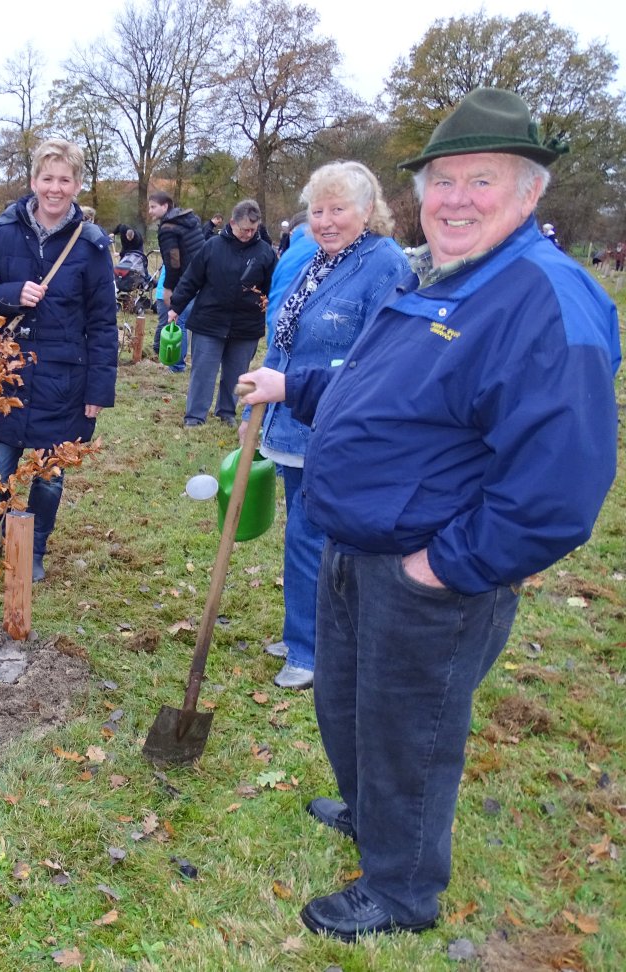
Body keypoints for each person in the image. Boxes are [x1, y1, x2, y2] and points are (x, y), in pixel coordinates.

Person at [239, 87, 619, 942]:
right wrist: (296, 384)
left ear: (530, 193)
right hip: (353, 545)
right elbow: (384, 391)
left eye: (480, 180)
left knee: (411, 726)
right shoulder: (446, 277)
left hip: (427, 571)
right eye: (441, 180)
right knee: (348, 704)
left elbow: (560, 487)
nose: (454, 199)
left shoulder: (545, 299)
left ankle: (403, 888)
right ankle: (373, 816)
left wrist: (444, 566)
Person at [246, 162, 409, 691]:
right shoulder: (320, 261)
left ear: (368, 211)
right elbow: (289, 336)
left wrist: (291, 388)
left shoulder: (383, 265)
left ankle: (311, 650)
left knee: (310, 536)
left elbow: (378, 357)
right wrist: (265, 388)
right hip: (294, 421)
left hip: (337, 426)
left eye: (338, 209)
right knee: (303, 532)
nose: (326, 220)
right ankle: (304, 630)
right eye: (318, 210)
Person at [0, 138, 118, 582]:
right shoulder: (3, 232)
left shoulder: (92, 246)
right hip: (8, 375)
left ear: (77, 184)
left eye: (65, 179)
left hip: (65, 380)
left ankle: (33, 548)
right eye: (47, 178)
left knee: (50, 474)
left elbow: (103, 323)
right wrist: (9, 295)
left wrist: (98, 390)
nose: (55, 188)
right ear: (34, 180)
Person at [169, 199, 276, 427]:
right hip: (209, 320)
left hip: (246, 324)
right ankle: (195, 416)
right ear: (232, 223)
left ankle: (227, 411)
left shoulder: (265, 253)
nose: (248, 234)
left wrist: (270, 308)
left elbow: (272, 288)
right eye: (244, 229)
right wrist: (175, 307)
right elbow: (191, 278)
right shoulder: (212, 246)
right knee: (203, 372)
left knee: (237, 372)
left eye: (253, 230)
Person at [148, 190, 203, 373]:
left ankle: (177, 365)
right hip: (201, 276)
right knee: (197, 324)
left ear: (166, 206)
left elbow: (173, 262)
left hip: (185, 279)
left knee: (177, 319)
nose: (150, 211)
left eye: (153, 207)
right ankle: (199, 365)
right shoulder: (188, 221)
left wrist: (168, 288)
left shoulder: (168, 228)